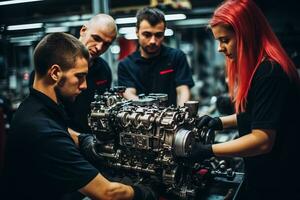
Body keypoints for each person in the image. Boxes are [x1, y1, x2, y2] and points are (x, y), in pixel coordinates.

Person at [2, 32, 156, 200]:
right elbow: (108, 193)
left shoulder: (35, 108)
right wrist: (147, 191)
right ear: (55, 73)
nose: (84, 86)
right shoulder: (43, 131)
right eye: (80, 76)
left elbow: (61, 130)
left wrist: (84, 140)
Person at [189, 0, 300, 199]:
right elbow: (255, 115)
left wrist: (208, 150)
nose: (219, 48)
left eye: (225, 40)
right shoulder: (261, 68)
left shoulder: (270, 72)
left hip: (277, 183)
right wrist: (219, 122)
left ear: (246, 34)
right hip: (262, 176)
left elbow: (262, 140)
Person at [29, 14, 116, 133]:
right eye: (96, 38)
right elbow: (42, 116)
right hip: (58, 136)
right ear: (83, 30)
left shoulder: (104, 70)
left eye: (106, 44)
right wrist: (79, 139)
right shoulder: (52, 65)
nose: (99, 47)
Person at [117, 7, 194, 107]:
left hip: (171, 119)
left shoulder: (176, 57)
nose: (153, 41)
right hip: (141, 120)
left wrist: (181, 114)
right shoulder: (125, 65)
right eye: (147, 35)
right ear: (137, 32)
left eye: (158, 35)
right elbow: (129, 94)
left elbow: (182, 91)